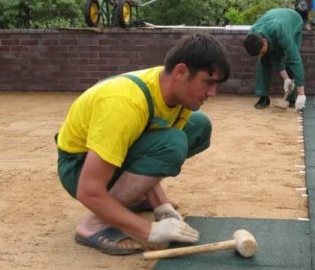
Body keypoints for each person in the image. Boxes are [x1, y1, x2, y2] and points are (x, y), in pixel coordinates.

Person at [55, 33, 231, 255]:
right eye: (208, 82)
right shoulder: (125, 103)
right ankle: (93, 224)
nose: (212, 93)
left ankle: (131, 197)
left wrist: (161, 206)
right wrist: (150, 231)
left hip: (113, 157)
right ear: (181, 71)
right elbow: (88, 191)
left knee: (198, 126)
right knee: (172, 142)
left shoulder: (178, 95)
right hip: (78, 168)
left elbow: (151, 151)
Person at [243, 8, 306, 111]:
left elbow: (295, 60)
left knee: (290, 59)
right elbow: (273, 57)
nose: (261, 54)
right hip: (274, 19)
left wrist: (301, 94)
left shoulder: (281, 32)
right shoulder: (252, 34)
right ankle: (263, 97)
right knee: (264, 60)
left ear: (264, 41)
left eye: (261, 52)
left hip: (294, 21)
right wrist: (286, 78)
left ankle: (293, 98)